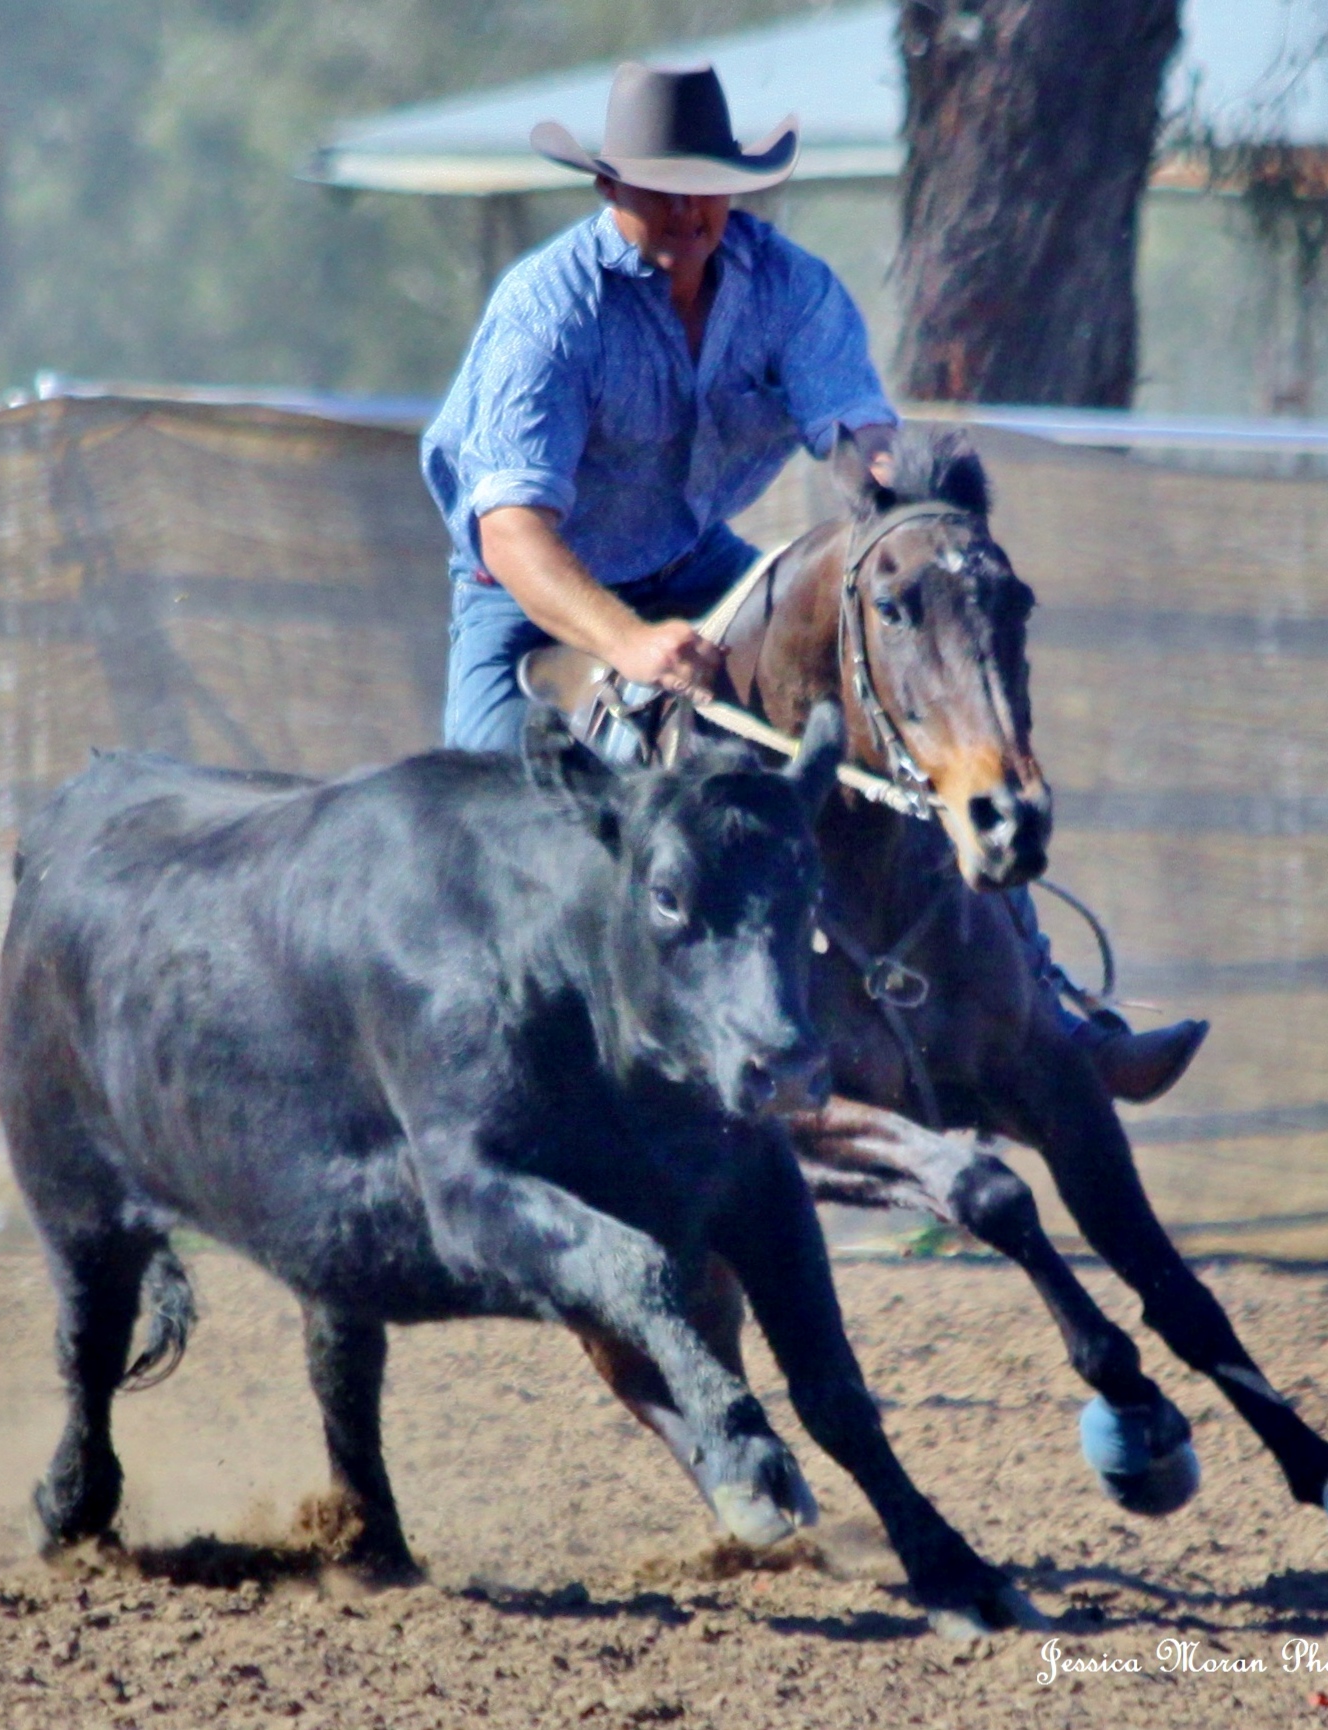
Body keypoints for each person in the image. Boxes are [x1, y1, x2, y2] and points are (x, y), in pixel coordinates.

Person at [421, 61, 1206, 1105]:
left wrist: (896, 492)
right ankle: (509, 1071)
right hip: (529, 592)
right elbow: (515, 533)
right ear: (609, 188)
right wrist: (628, 642)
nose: (692, 210)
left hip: (695, 558)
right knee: (495, 813)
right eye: (663, 188)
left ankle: (1052, 1011)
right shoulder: (548, 310)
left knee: (902, 710)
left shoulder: (787, 288)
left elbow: (858, 435)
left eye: (708, 186)